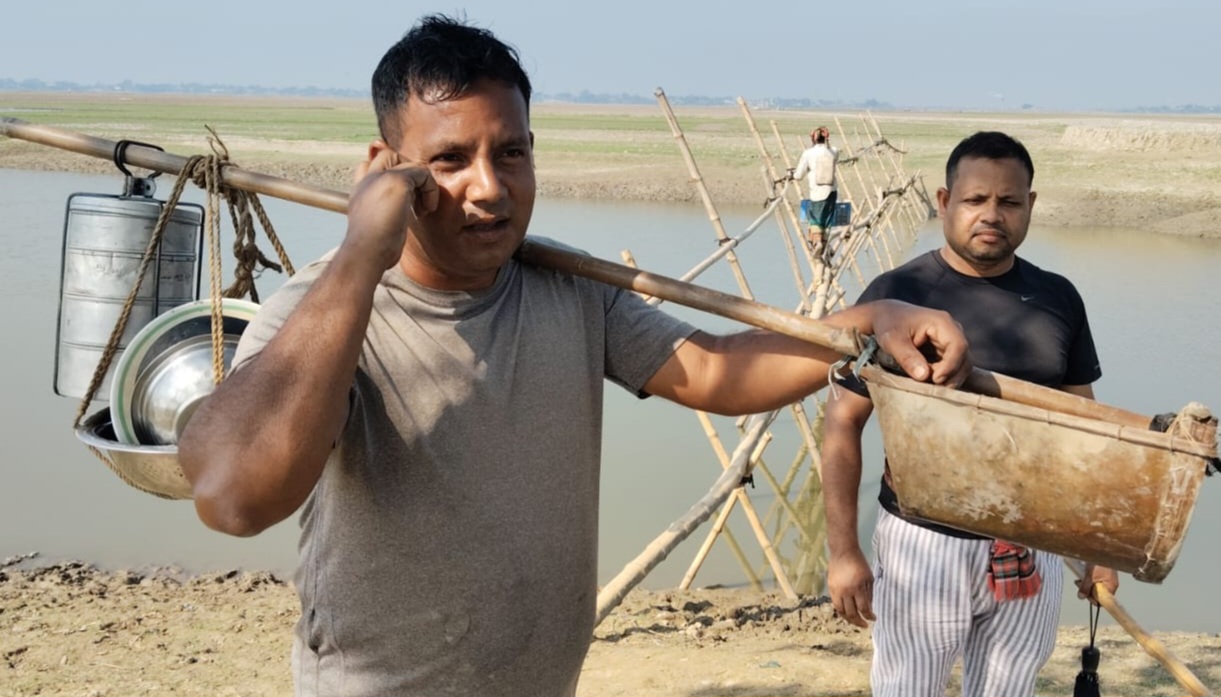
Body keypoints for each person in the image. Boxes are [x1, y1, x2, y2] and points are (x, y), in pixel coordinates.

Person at [178, 15, 970, 697]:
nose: (489, 189)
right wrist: (360, 253)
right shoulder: (322, 312)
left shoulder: (568, 291)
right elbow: (234, 498)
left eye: (511, 153)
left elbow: (717, 371)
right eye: (449, 161)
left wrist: (862, 323)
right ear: (386, 169)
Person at [820, 131, 1120, 697]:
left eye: (1009, 202)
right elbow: (841, 424)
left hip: (1033, 544)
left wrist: (1097, 552)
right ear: (943, 202)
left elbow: (1085, 431)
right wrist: (843, 551)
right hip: (923, 546)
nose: (992, 215)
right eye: (975, 200)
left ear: (1031, 205)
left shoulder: (1059, 298)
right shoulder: (898, 294)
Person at [789, 126, 842, 256]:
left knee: (815, 219)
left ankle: (817, 243)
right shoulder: (834, 151)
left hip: (817, 192)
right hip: (832, 191)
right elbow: (833, 153)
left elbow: (799, 175)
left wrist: (792, 175)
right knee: (827, 220)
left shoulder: (808, 153)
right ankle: (823, 246)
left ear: (813, 139)